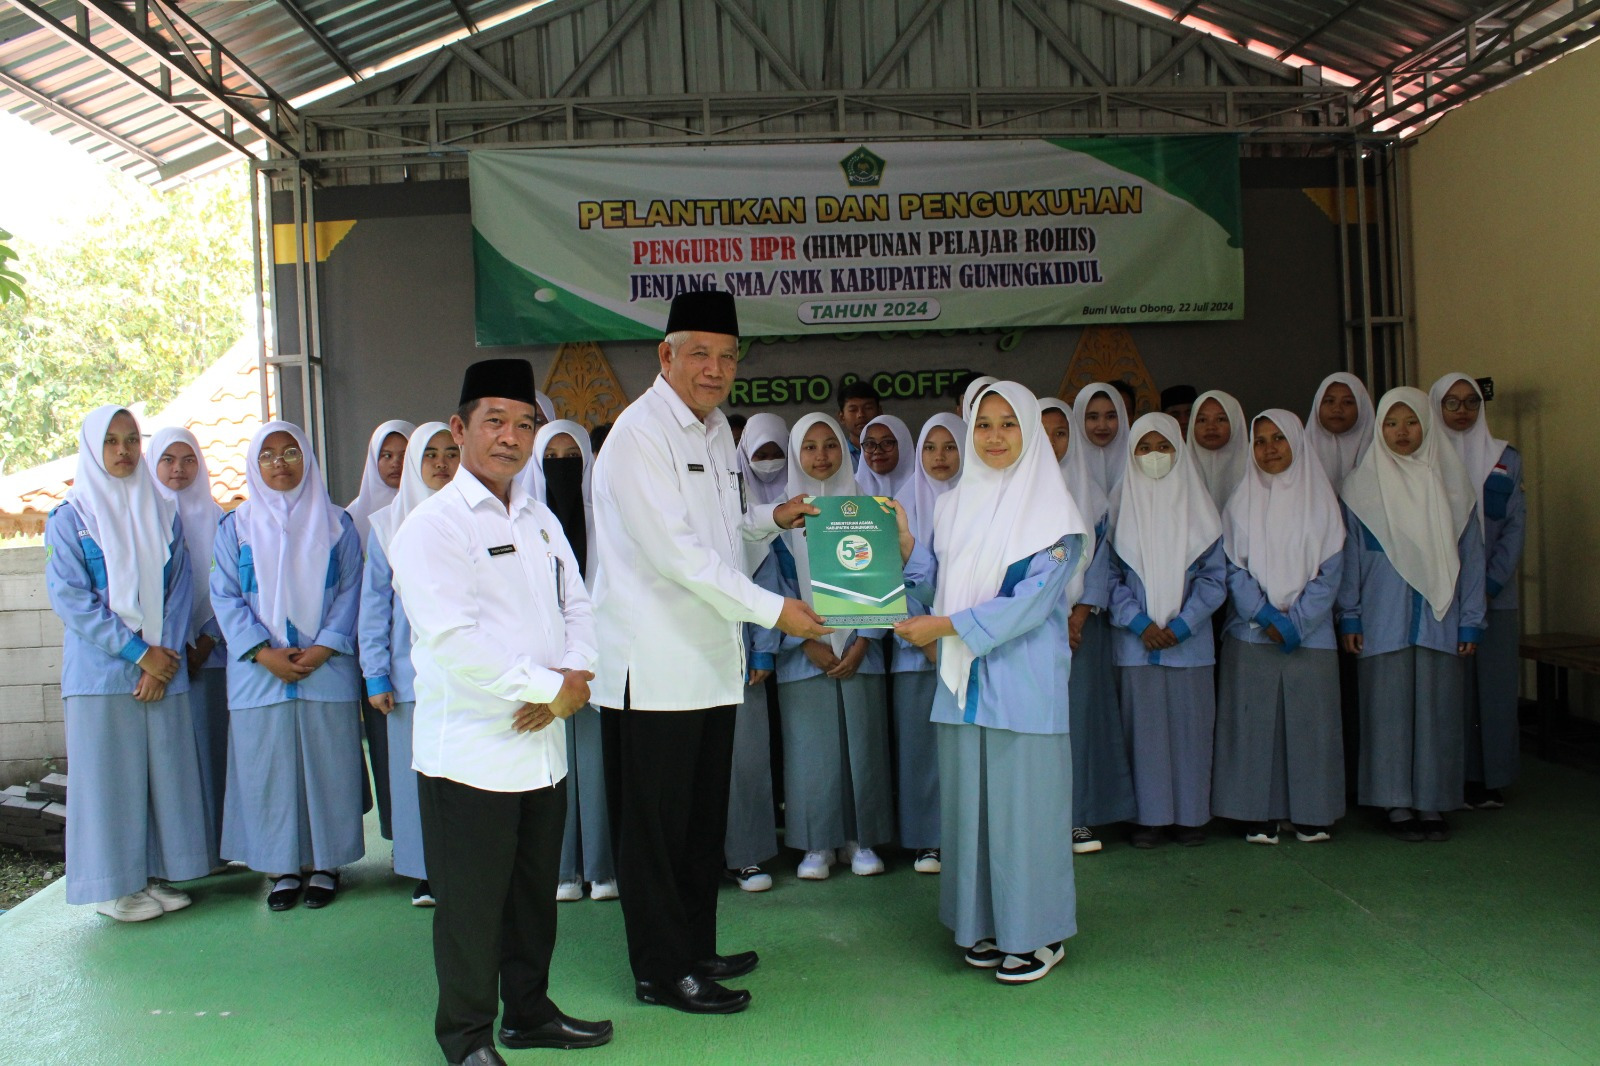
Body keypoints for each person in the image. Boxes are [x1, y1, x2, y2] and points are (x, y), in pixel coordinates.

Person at [589, 290, 829, 1016]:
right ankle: (661, 972)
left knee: (697, 824)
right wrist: (776, 611)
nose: (715, 369)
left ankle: (693, 947)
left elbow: (720, 535)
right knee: (655, 832)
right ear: (666, 356)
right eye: (700, 354)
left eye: (727, 357)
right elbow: (680, 558)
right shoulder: (640, 435)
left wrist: (769, 520)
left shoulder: (713, 428)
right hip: (653, 669)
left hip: (707, 664)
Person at [389, 359, 612, 1062]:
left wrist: (574, 678)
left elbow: (579, 603)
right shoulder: (433, 527)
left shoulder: (540, 516)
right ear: (460, 430)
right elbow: (454, 642)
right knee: (471, 909)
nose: (511, 438)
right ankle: (464, 1037)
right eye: (494, 422)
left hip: (543, 747)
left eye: (523, 425)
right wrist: (549, 689)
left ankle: (529, 1012)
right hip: (472, 755)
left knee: (529, 897)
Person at [894, 381, 1090, 984]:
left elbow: (1030, 606)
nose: (996, 437)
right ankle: (981, 925)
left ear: (1030, 431)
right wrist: (903, 550)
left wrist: (945, 625)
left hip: (1023, 687)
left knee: (1024, 815)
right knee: (970, 814)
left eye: (1009, 424)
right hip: (961, 686)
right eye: (984, 424)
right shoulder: (953, 507)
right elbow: (930, 585)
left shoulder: (1057, 520)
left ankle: (1038, 935)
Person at [47, 406, 210, 922]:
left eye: (131, 441)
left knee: (164, 774)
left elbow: (180, 586)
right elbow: (72, 599)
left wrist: (162, 656)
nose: (123, 452)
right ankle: (118, 889)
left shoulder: (161, 512)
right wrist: (140, 653)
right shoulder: (71, 518)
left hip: (162, 667)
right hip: (102, 675)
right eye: (112, 442)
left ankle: (156, 874)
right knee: (111, 781)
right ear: (94, 450)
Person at [211, 421, 366, 910]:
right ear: (255, 466)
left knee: (327, 768)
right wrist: (263, 652)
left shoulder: (338, 524)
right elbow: (224, 596)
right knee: (269, 770)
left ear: (308, 461)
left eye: (290, 453)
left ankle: (326, 864)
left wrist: (323, 647)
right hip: (261, 675)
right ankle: (281, 867)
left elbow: (352, 592)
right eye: (268, 455)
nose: (280, 463)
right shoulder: (233, 527)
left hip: (326, 668)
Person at [1337, 387, 1485, 843]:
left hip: (1440, 621)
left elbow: (1472, 559)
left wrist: (1470, 620)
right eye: (1391, 423)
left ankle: (1432, 802)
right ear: (1379, 429)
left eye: (1411, 422)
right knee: (1387, 712)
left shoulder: (1453, 486)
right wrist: (1351, 616)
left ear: (1427, 426)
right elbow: (1351, 562)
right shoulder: (1361, 490)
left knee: (1438, 712)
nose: (1402, 432)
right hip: (1383, 621)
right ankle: (1395, 803)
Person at [762, 414, 893, 880]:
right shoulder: (779, 518)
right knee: (810, 750)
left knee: (863, 745)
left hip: (861, 651)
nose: (821, 456)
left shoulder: (871, 509)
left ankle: (862, 839)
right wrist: (805, 641)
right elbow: (772, 586)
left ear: (844, 450)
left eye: (830, 446)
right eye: (810, 447)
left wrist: (865, 640)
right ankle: (816, 843)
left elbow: (885, 579)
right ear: (796, 454)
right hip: (804, 654)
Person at [1212, 412, 1346, 844]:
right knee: (1253, 725)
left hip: (1311, 635)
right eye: (1260, 441)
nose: (1269, 449)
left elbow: (1330, 570)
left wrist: (1298, 621)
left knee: (1311, 725)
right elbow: (1232, 568)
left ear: (1297, 444)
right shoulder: (1241, 501)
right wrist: (1268, 617)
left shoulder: (1322, 502)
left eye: (1279, 439)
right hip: (1253, 633)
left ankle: (1312, 813)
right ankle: (1256, 813)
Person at [1108, 413, 1226, 848]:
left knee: (1192, 730)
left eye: (1163, 447)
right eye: (1143, 447)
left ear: (1179, 451)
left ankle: (1191, 817)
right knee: (1143, 735)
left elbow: (1215, 579)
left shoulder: (1202, 510)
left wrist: (1182, 624)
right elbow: (1108, 577)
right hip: (1135, 644)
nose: (1154, 456)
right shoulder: (1118, 508)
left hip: (1188, 645)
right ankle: (1148, 818)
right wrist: (1139, 623)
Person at [360, 421, 459, 908]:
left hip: (465, 676)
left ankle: (465, 866)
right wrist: (376, 674)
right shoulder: (385, 526)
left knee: (463, 776)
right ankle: (426, 871)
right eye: (430, 455)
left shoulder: (472, 518)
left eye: (451, 453)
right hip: (408, 679)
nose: (441, 464)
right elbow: (374, 609)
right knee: (415, 776)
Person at [1429, 373, 1526, 808]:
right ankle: (1458, 777)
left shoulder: (1506, 457)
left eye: (1470, 402)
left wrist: (1486, 585)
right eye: (1451, 403)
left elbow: (1515, 528)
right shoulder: (1423, 457)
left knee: (1496, 685)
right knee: (1453, 690)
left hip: (1493, 594)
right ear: (1436, 407)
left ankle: (1493, 778)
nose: (1463, 410)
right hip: (1441, 593)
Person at [535, 419, 618, 905]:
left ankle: (603, 867)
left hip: (596, 664)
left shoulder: (605, 516)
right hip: (543, 669)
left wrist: (583, 658)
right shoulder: (525, 521)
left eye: (572, 459)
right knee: (551, 769)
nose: (563, 468)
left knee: (597, 767)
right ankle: (564, 868)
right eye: (552, 459)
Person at [1056, 399, 1134, 854]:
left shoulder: (1094, 495)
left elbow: (1103, 557)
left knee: (1079, 723)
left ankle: (1079, 817)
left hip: (1082, 630)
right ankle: (1041, 818)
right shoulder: (1014, 498)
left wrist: (1079, 613)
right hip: (1031, 629)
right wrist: (1048, 618)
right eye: (1041, 432)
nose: (1050, 442)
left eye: (1060, 432)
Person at [889, 412, 966, 874]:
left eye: (951, 446)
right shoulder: (898, 505)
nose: (940, 457)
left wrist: (949, 632)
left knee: (963, 747)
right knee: (921, 749)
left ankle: (964, 835)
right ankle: (927, 841)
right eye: (931, 448)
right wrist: (924, 639)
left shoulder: (981, 504)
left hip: (965, 643)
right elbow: (886, 581)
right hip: (916, 650)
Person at [147, 425, 228, 857]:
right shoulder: (144, 516)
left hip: (210, 654)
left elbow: (229, 585)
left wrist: (207, 639)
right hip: (159, 658)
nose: (179, 469)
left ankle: (215, 850)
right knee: (172, 759)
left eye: (189, 460)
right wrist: (174, 646)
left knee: (214, 751)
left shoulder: (218, 518)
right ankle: (181, 853)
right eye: (168, 460)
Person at [727, 412, 791, 893]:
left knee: (746, 761)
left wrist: (765, 651)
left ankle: (747, 855)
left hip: (741, 661)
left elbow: (766, 582)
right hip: (684, 661)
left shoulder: (746, 526)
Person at [346, 418, 415, 846]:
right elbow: (369, 600)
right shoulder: (354, 518)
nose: (395, 463)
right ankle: (401, 841)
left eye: (405, 454)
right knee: (390, 753)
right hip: (378, 656)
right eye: (385, 456)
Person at [1305, 372, 1374, 491]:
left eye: (1347, 402)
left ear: (1362, 408)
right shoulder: (1298, 457)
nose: (1337, 409)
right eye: (1329, 401)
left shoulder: (1380, 458)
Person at [1188, 390, 1249, 512]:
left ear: (1236, 422)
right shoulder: (1178, 474)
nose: (1211, 427)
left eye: (1220, 419)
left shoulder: (1255, 473)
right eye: (1202, 420)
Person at [1069, 382, 1131, 499]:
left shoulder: (1135, 461)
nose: (1102, 426)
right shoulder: (1067, 466)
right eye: (1093, 417)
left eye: (1111, 416)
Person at [855, 413, 915, 499]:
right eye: (870, 444)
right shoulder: (851, 489)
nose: (877, 451)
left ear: (903, 445)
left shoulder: (922, 490)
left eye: (887, 443)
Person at [837, 380, 883, 470]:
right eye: (853, 410)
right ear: (842, 417)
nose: (861, 414)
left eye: (868, 408)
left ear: (880, 412)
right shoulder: (838, 455)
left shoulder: (893, 450)